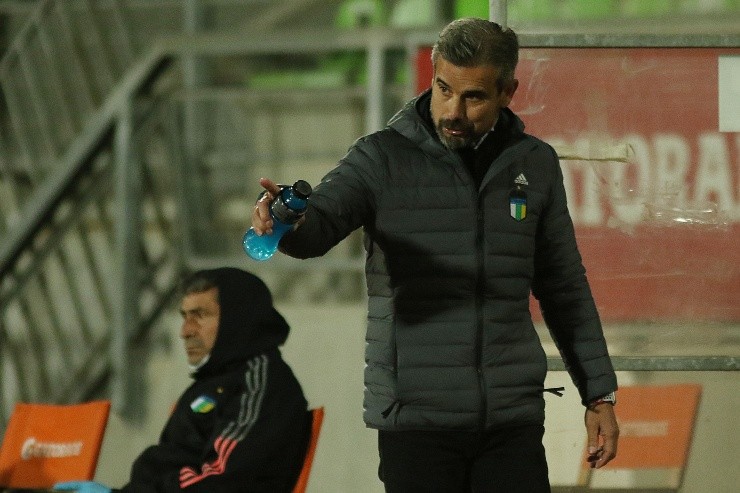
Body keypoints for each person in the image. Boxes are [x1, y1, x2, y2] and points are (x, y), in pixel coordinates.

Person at [250, 17, 618, 493]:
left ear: (508, 92)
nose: (453, 111)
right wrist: (287, 219)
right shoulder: (380, 158)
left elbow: (564, 286)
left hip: (511, 420)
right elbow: (317, 229)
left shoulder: (535, 163)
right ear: (433, 72)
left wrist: (599, 394)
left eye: (474, 97)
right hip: (415, 422)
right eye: (444, 89)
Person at [54, 267, 311, 493]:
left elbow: (222, 479)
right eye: (184, 317)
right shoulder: (215, 381)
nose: (185, 331)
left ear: (237, 319)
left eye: (200, 315)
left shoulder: (259, 385)